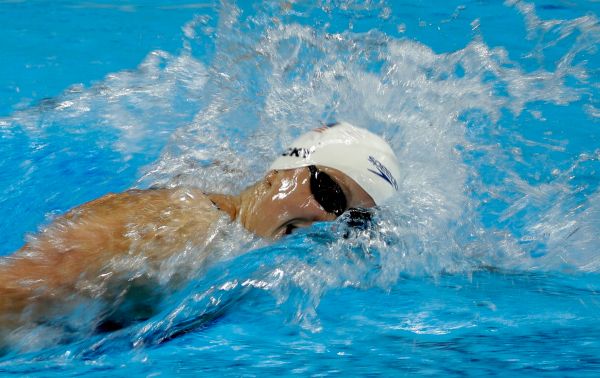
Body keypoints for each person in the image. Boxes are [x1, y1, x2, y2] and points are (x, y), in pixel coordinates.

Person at [0, 121, 400, 342]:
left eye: (354, 220)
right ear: (279, 171)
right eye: (329, 192)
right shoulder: (182, 226)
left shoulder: (240, 242)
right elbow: (22, 288)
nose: (330, 222)